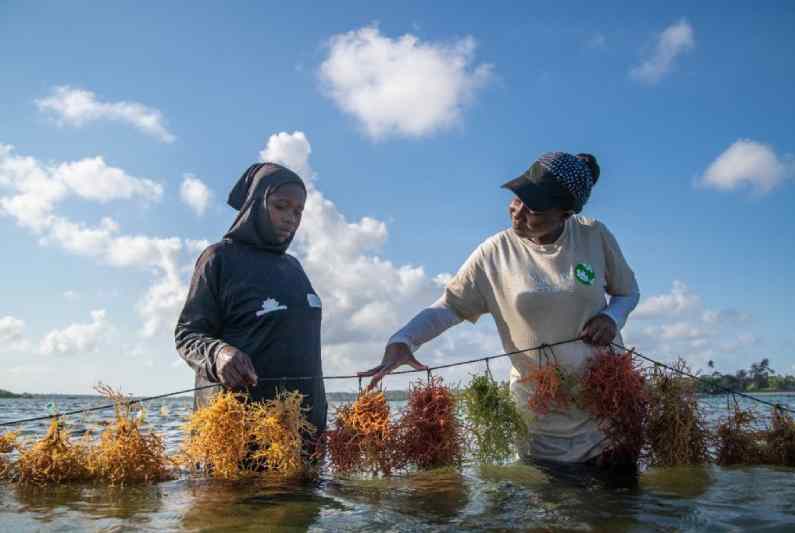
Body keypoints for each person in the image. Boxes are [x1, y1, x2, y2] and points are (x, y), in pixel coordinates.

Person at [360, 152, 639, 464]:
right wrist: (404, 340)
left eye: (533, 208)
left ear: (565, 213)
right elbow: (449, 307)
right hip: (540, 413)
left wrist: (611, 317)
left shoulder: (593, 235)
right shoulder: (494, 253)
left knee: (618, 501)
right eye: (517, 198)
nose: (517, 212)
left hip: (605, 406)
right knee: (549, 505)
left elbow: (627, 293)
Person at [175, 162, 327, 437]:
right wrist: (219, 353)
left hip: (302, 431)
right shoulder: (219, 259)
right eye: (281, 206)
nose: (291, 218)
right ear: (256, 204)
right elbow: (187, 335)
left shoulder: (294, 267)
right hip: (238, 431)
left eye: (298, 211)